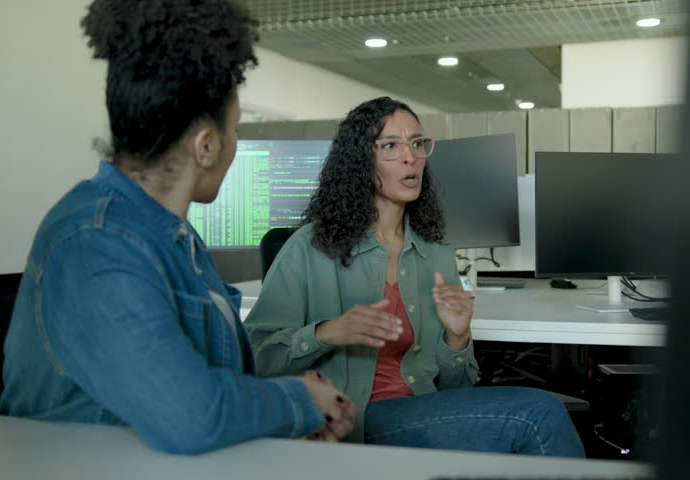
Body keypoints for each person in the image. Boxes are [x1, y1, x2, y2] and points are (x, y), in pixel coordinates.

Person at [0, 0, 356, 454]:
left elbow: (215, 377)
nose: (235, 145)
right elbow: (191, 416)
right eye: (236, 131)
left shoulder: (174, 236)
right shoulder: (94, 244)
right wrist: (298, 401)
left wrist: (285, 408)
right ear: (206, 146)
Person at [245, 96, 584, 456]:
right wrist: (326, 333)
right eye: (391, 146)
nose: (411, 158)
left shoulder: (435, 251)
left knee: (539, 416)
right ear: (359, 160)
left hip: (420, 410)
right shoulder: (309, 246)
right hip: (352, 421)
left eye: (417, 144)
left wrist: (458, 336)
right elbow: (256, 359)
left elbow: (457, 390)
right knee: (538, 414)